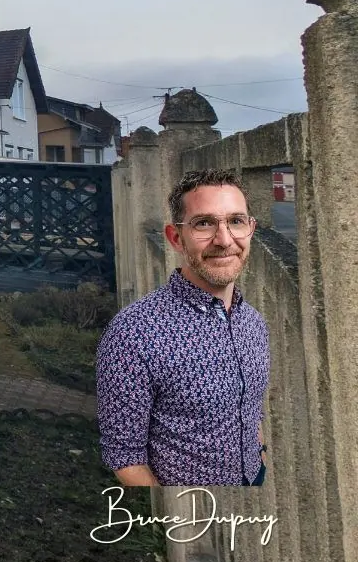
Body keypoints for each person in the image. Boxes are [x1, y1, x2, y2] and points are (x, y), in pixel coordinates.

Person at [97, 169, 270, 486]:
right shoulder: (134, 332)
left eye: (236, 221)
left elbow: (250, 406)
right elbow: (125, 459)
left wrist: (259, 455)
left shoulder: (253, 321)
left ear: (251, 229)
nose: (224, 239)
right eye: (204, 223)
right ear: (176, 238)